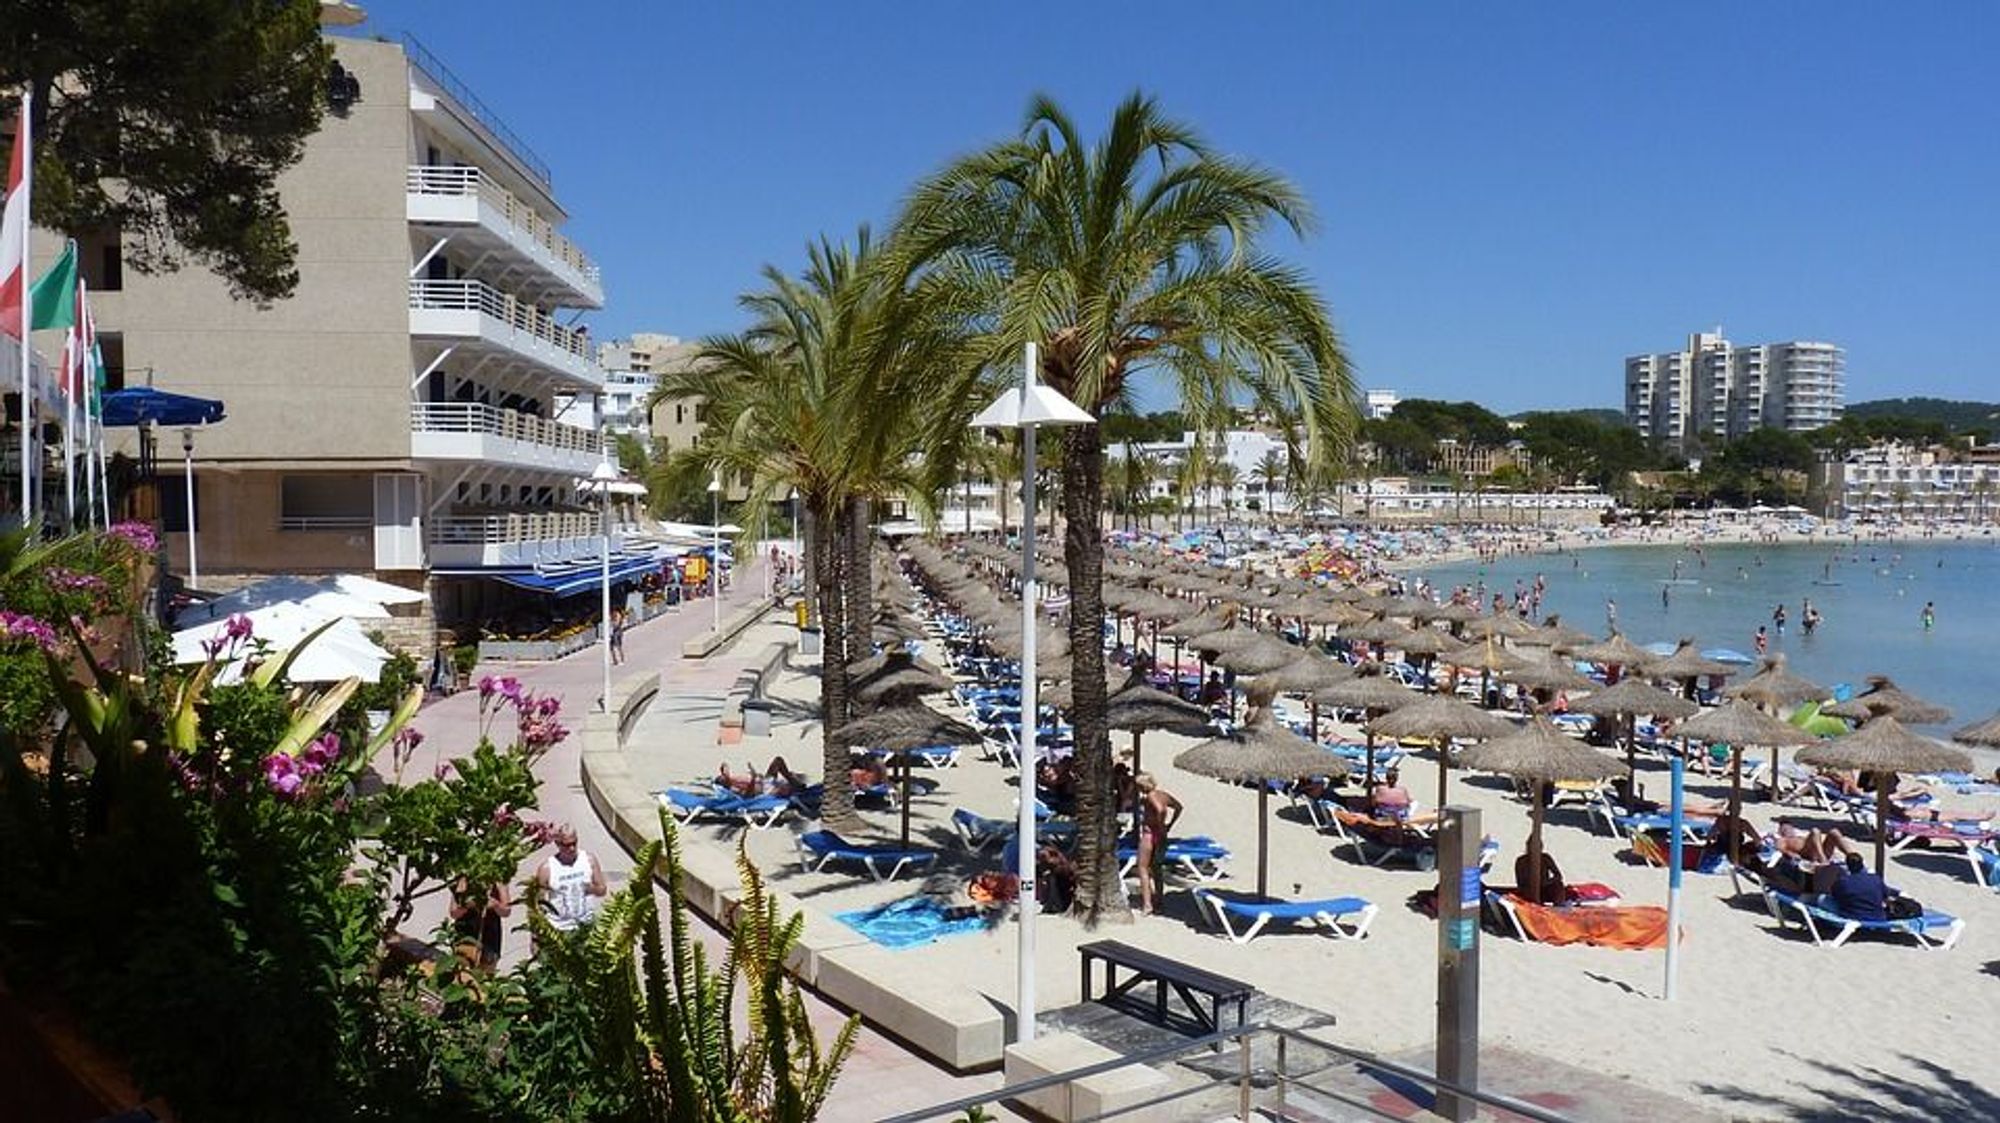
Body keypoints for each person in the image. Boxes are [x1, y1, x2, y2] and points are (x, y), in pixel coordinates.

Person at [536, 824, 608, 935]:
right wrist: (536, 936)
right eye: (567, 845)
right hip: (559, 929)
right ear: (557, 844)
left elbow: (602, 890)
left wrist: (591, 889)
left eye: (574, 843)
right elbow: (538, 905)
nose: (572, 848)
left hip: (586, 926)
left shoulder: (589, 860)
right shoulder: (546, 869)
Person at [1134, 772, 1183, 915]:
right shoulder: (1163, 795)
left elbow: (1160, 809)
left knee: (1142, 868)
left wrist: (1160, 824)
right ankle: (1159, 901)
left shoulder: (1150, 797)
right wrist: (1169, 825)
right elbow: (1179, 807)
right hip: (1162, 836)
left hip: (1150, 834)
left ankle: (1147, 904)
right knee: (1157, 868)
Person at [449, 878, 512, 970]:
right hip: (466, 932)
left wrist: (495, 905)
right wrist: (466, 906)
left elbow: (506, 911)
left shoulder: (499, 881)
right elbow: (453, 912)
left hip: (489, 934)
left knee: (487, 970)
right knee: (463, 969)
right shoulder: (463, 880)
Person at [1828, 853, 1901, 922]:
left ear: (1848, 866)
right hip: (1877, 917)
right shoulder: (1875, 879)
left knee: (1823, 899)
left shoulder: (1842, 881)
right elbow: (1885, 895)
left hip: (1852, 917)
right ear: (1862, 864)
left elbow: (1834, 895)